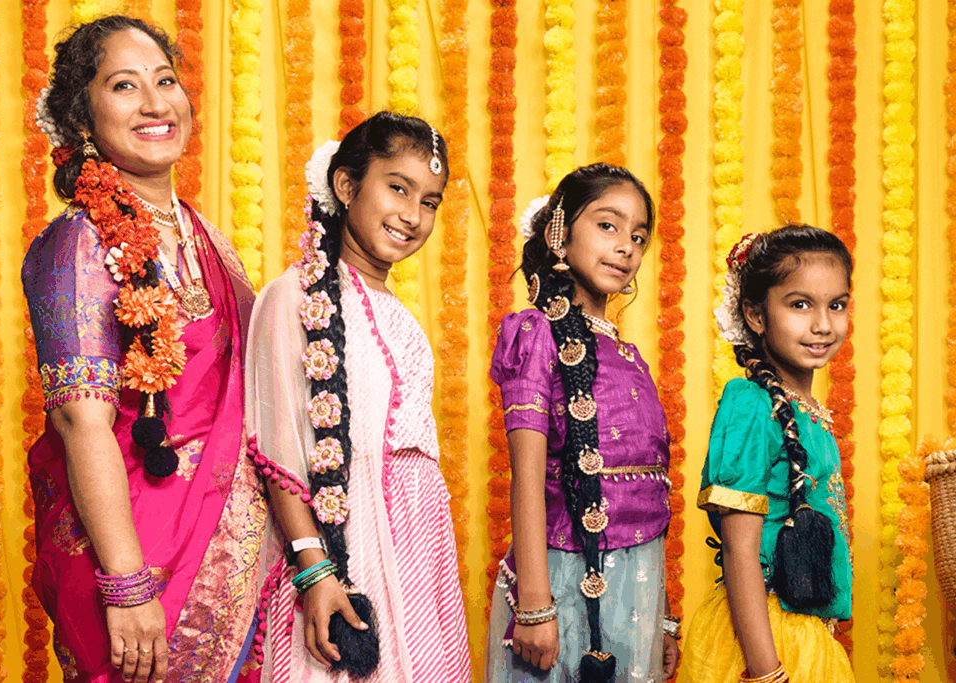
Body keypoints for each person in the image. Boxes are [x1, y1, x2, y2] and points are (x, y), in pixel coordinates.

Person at [22, 16, 264, 683]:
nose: (158, 103)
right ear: (81, 119)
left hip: (235, 549)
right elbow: (81, 419)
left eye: (166, 80)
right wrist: (126, 584)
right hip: (132, 556)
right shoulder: (76, 245)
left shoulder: (209, 238)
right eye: (125, 86)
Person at [243, 111, 471, 683]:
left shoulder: (404, 321)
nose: (413, 216)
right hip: (345, 556)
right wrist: (316, 574)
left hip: (420, 557)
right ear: (346, 187)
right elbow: (277, 452)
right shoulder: (290, 298)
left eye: (430, 201)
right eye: (398, 188)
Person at [485, 163, 681, 683]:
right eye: (608, 225)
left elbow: (652, 496)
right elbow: (525, 475)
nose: (626, 247)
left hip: (636, 583)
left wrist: (660, 614)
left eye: (638, 236)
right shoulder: (535, 332)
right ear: (559, 231)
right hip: (560, 581)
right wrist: (533, 604)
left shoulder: (630, 355)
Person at [677, 226, 855, 683]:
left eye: (836, 305)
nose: (823, 324)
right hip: (764, 643)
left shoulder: (809, 411)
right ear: (756, 315)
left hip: (809, 639)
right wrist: (766, 672)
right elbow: (741, 552)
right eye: (800, 305)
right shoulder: (750, 405)